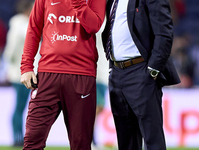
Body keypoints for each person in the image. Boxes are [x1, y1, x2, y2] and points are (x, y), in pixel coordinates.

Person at [20, 0, 106, 149]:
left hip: (82, 75)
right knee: (32, 139)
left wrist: (78, 2)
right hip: (47, 75)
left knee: (81, 144)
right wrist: (26, 67)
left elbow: (93, 26)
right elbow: (33, 29)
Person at [102, 0, 181, 150]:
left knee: (152, 139)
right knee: (126, 141)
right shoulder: (113, 0)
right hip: (117, 73)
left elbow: (164, 35)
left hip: (141, 71)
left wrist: (152, 71)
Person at [3, 0, 36, 146]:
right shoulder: (18, 24)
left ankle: (23, 137)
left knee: (25, 107)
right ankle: (17, 138)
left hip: (29, 71)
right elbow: (11, 49)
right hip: (20, 74)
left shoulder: (27, 23)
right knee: (20, 106)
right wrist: (10, 67)